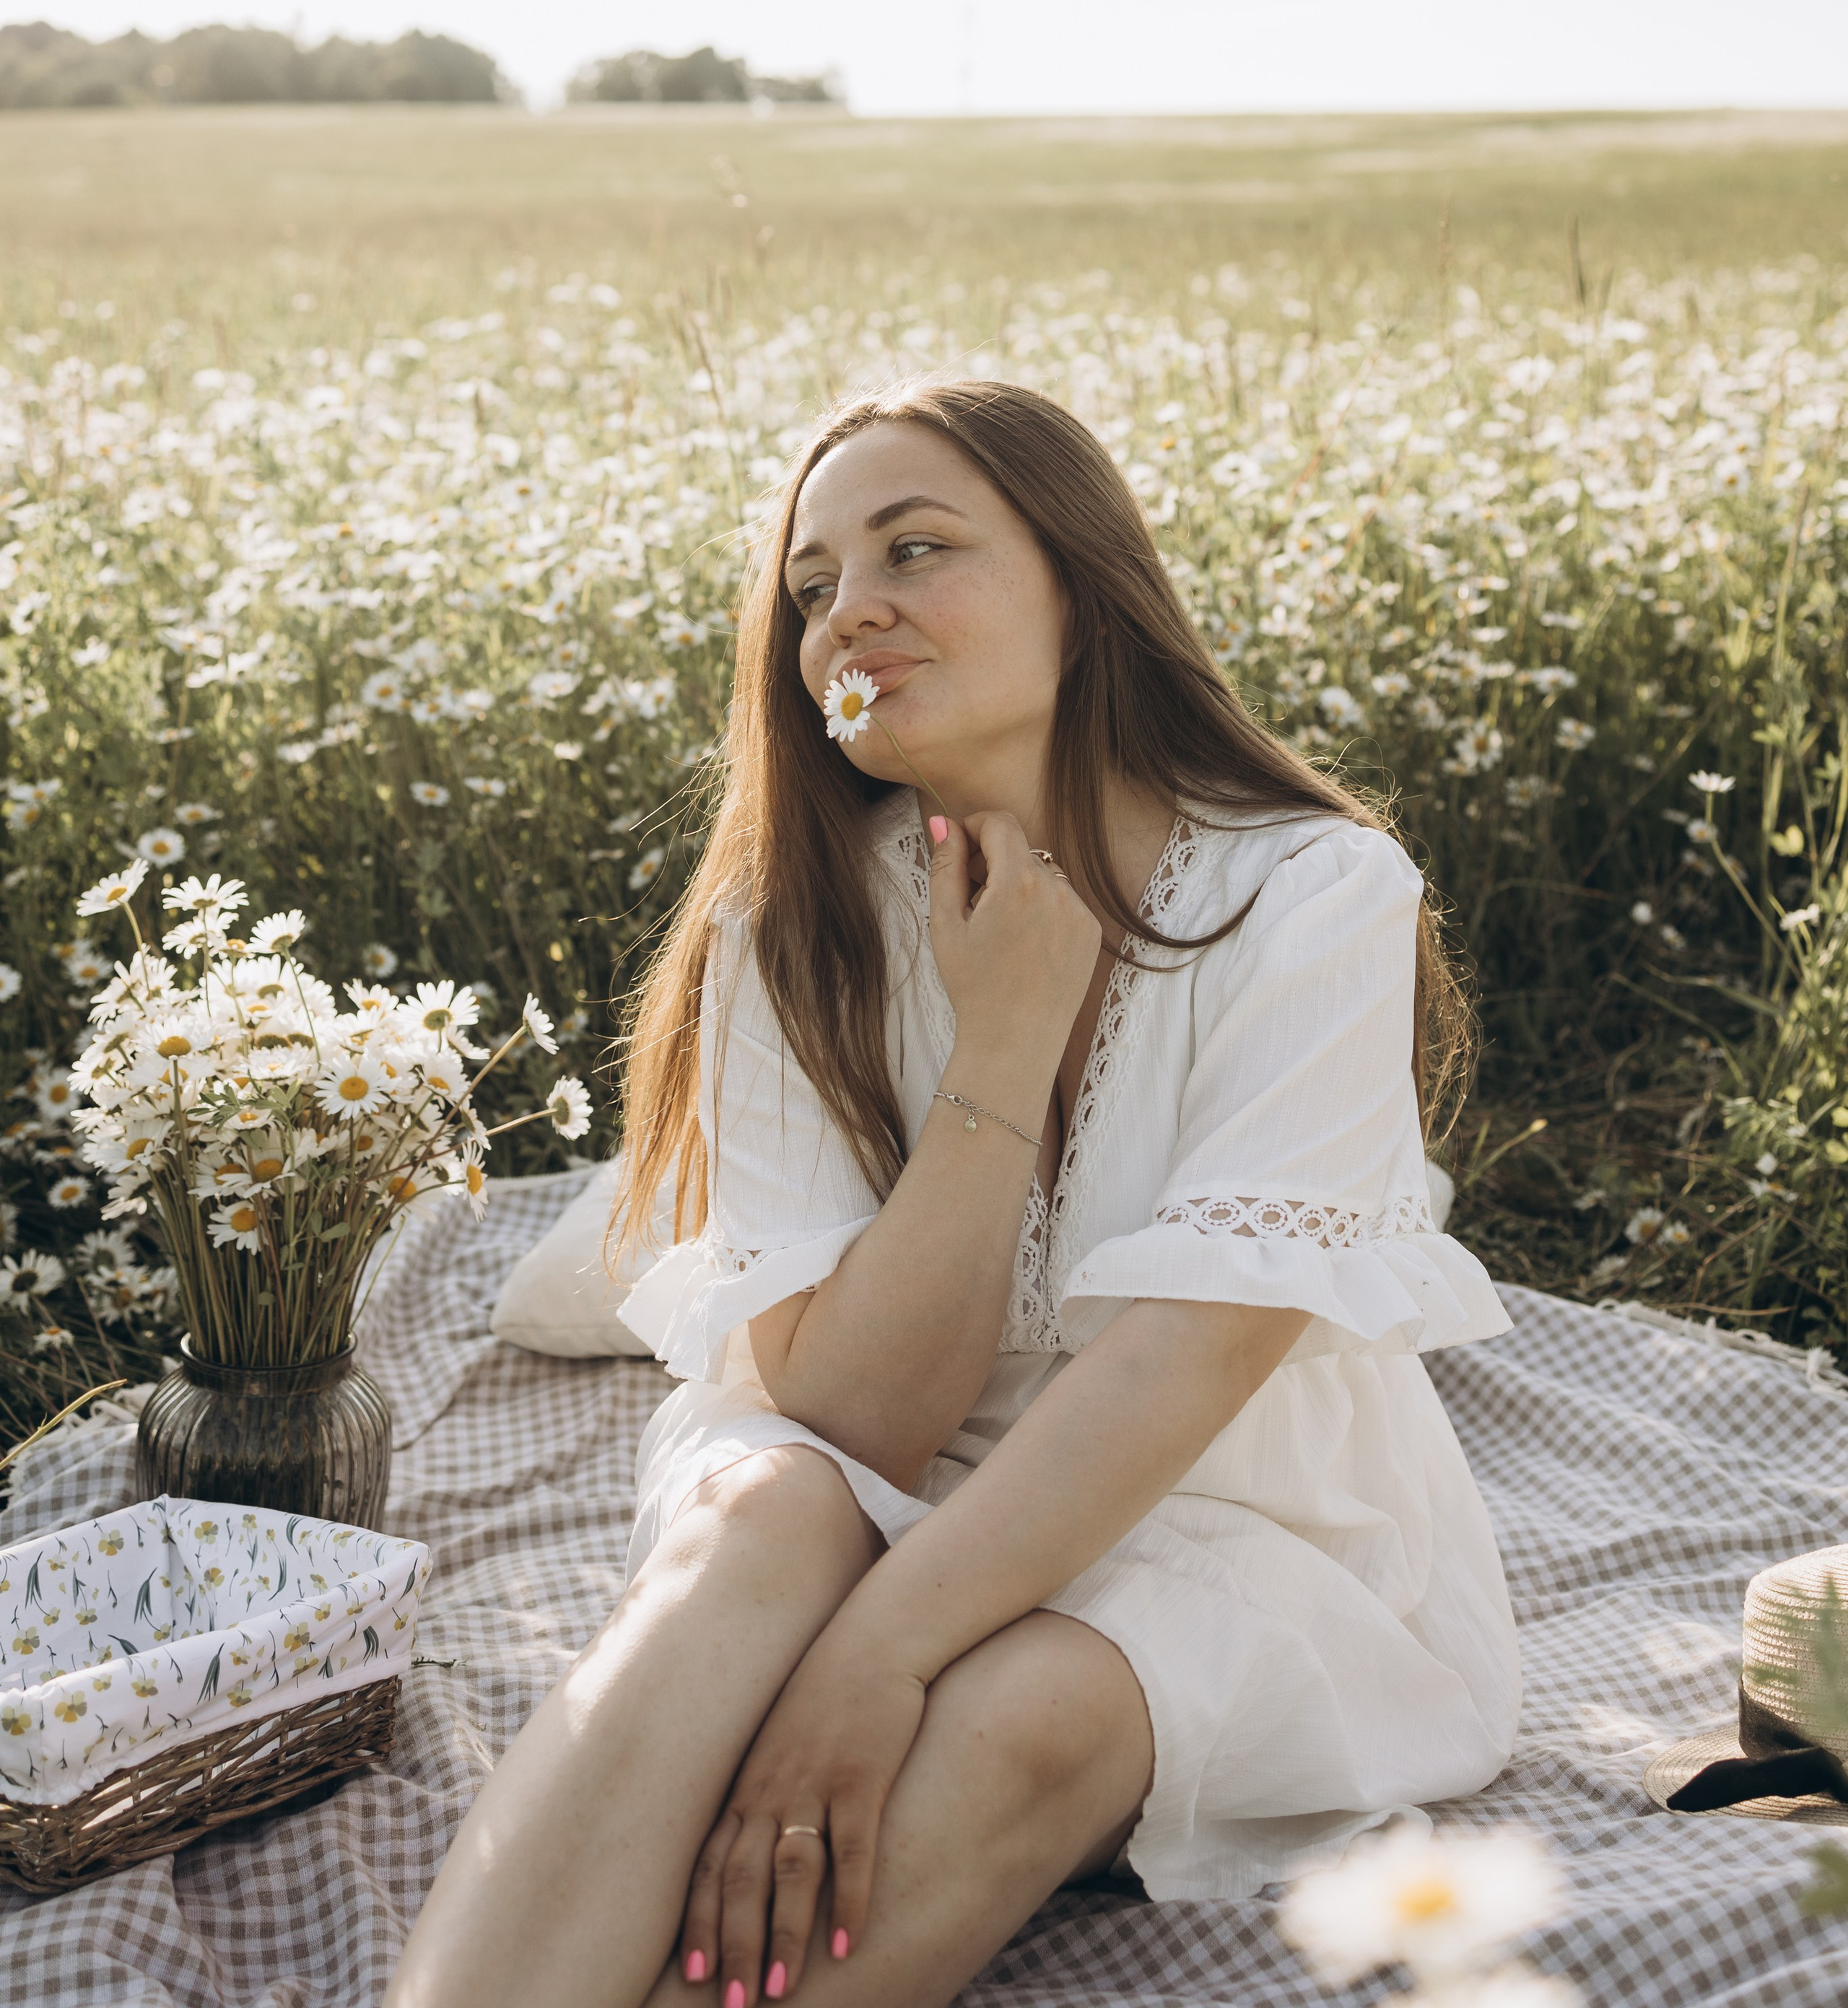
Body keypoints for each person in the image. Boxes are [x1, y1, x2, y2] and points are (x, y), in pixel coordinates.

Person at [387, 380, 1520, 2008]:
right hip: (852, 1481)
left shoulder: (1311, 894)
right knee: (752, 1514)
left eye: (917, 549)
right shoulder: (789, 928)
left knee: (1028, 1717)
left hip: (1212, 1512)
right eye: (812, 587)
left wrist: (874, 1659)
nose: (853, 610)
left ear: (1084, 586)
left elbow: (1182, 1366)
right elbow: (850, 1416)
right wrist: (1001, 1040)